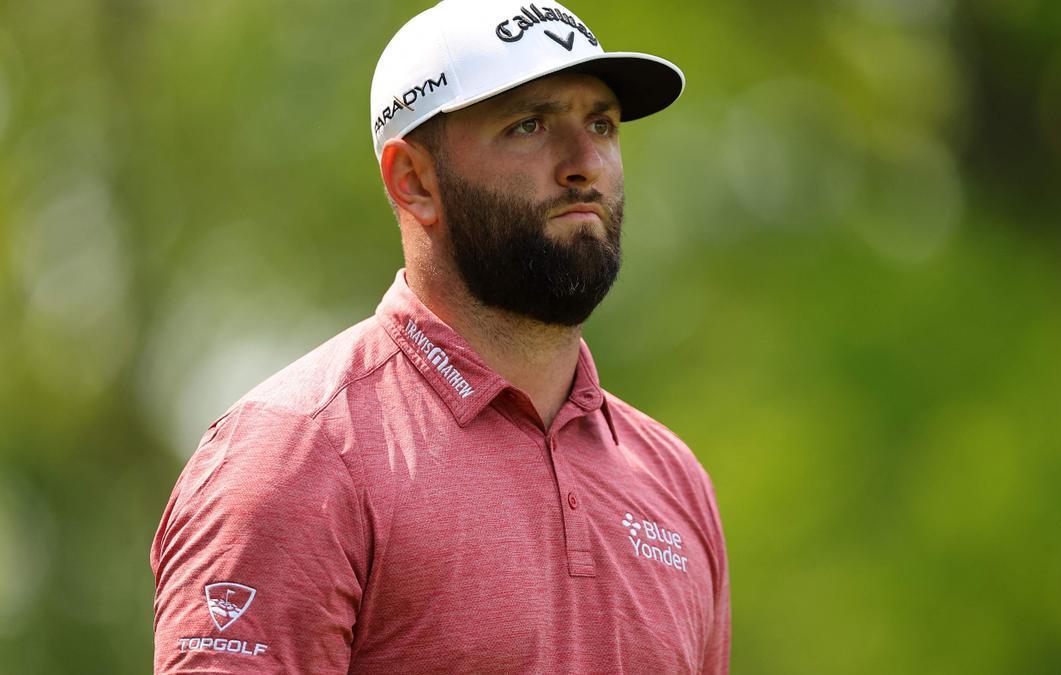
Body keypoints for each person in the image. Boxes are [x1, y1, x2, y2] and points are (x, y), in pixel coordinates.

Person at [150, 0, 730, 672]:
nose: (584, 163)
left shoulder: (674, 481)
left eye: (600, 123)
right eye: (530, 125)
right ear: (414, 180)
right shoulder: (294, 457)